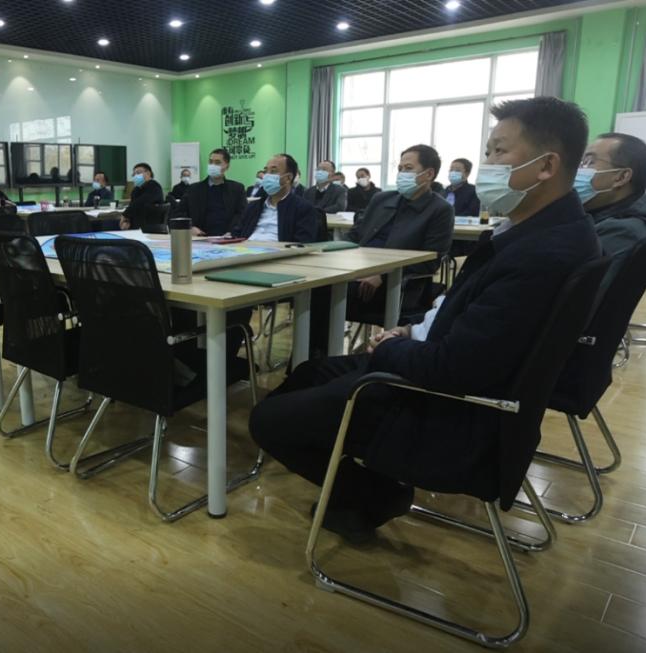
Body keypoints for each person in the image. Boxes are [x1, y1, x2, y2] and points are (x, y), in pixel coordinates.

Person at [249, 97, 601, 544]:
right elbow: (466, 316)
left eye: (498, 152)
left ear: (546, 165)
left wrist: (392, 346)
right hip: (431, 359)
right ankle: (360, 477)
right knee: (307, 373)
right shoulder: (540, 231)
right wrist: (410, 330)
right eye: (488, 151)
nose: (487, 164)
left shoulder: (544, 254)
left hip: (445, 407)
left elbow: (455, 368)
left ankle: (375, 494)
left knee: (267, 420)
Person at [345, 145, 454, 310]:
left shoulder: (440, 209)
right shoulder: (381, 199)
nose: (402, 173)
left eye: (408, 168)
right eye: (400, 169)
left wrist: (384, 274)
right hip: (357, 269)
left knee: (325, 295)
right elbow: (355, 235)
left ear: (429, 174)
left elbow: (430, 261)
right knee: (317, 287)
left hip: (398, 284)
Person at [575, 133, 646, 295]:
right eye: (581, 162)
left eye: (590, 162)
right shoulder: (602, 213)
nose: (578, 170)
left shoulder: (621, 230)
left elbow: (578, 295)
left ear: (621, 177)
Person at [233, 153, 318, 242]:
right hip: (246, 248)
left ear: (288, 178)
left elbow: (301, 243)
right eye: (266, 171)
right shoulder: (252, 207)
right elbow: (237, 234)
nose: (266, 176)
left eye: (273, 171)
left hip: (277, 249)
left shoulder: (303, 208)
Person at [177, 147, 246, 237]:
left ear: (227, 166)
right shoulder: (193, 189)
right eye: (210, 162)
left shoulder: (237, 189)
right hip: (200, 238)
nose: (213, 165)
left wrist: (233, 232)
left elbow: (242, 214)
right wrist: (190, 227)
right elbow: (179, 213)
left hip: (227, 237)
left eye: (217, 162)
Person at [120, 162, 165, 230]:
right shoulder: (136, 189)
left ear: (148, 173)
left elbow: (141, 202)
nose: (135, 176)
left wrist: (125, 214)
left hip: (150, 224)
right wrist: (127, 220)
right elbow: (132, 205)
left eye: (138, 173)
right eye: (134, 174)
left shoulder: (154, 186)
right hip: (136, 223)